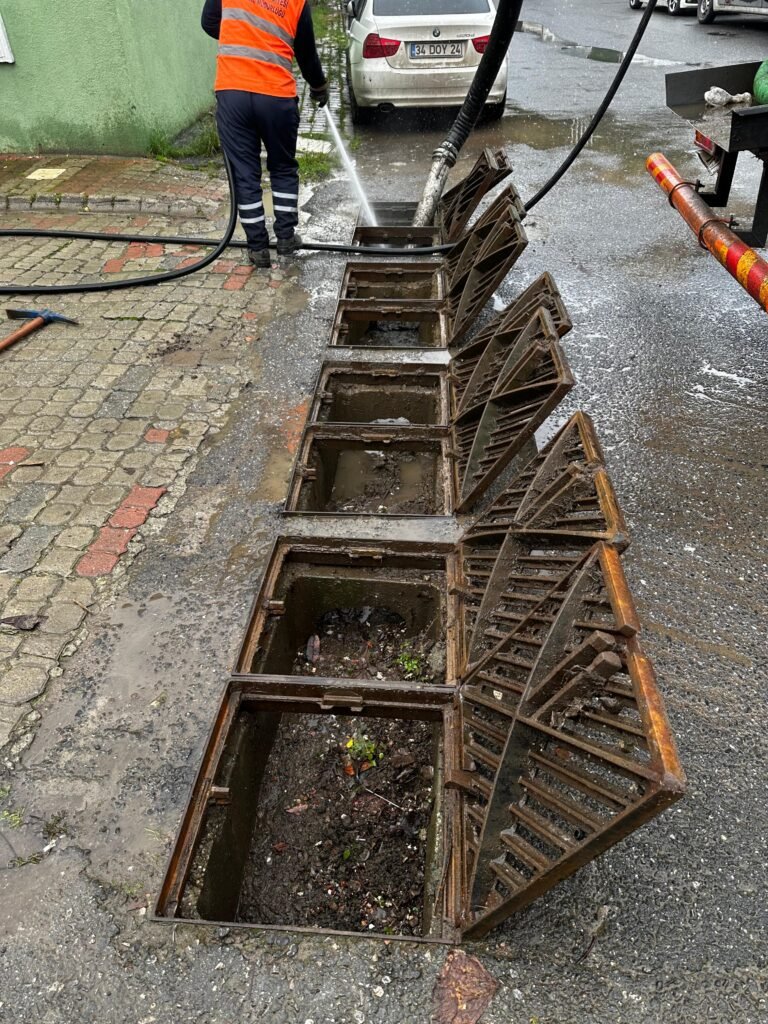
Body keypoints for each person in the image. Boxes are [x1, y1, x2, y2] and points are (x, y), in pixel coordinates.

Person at [201, 0, 328, 267]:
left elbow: (209, 22)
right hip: (276, 95)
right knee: (283, 168)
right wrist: (319, 86)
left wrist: (241, 36)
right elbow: (306, 54)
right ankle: (286, 238)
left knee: (245, 174)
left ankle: (257, 248)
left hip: (233, 91)